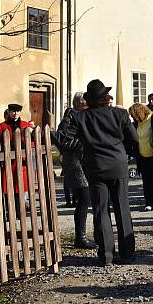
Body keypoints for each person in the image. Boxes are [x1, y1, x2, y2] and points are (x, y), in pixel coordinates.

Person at [58, 79, 137, 266]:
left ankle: (106, 255)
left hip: (95, 166)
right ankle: (127, 254)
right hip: (118, 164)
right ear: (105, 97)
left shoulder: (80, 117)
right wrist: (123, 150)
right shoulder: (120, 114)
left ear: (89, 100)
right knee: (122, 210)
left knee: (101, 211)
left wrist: (85, 143)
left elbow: (63, 139)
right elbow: (133, 139)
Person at [56, 93, 96, 249]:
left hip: (86, 162)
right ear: (80, 103)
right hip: (75, 163)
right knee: (84, 198)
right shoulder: (70, 118)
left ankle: (83, 235)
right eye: (86, 101)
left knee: (86, 199)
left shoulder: (85, 116)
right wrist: (80, 142)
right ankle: (80, 237)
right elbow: (61, 140)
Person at [129, 103, 153, 212]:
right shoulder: (136, 124)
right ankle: (149, 202)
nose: (132, 117)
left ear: (139, 112)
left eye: (133, 114)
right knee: (147, 181)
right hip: (142, 156)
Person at [0, 104, 33, 199]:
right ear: (9, 112)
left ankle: (22, 208)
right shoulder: (2, 126)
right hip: (8, 161)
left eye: (17, 111)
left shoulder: (25, 125)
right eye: (13, 111)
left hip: (22, 160)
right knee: (8, 185)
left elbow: (31, 141)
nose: (15, 114)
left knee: (22, 186)